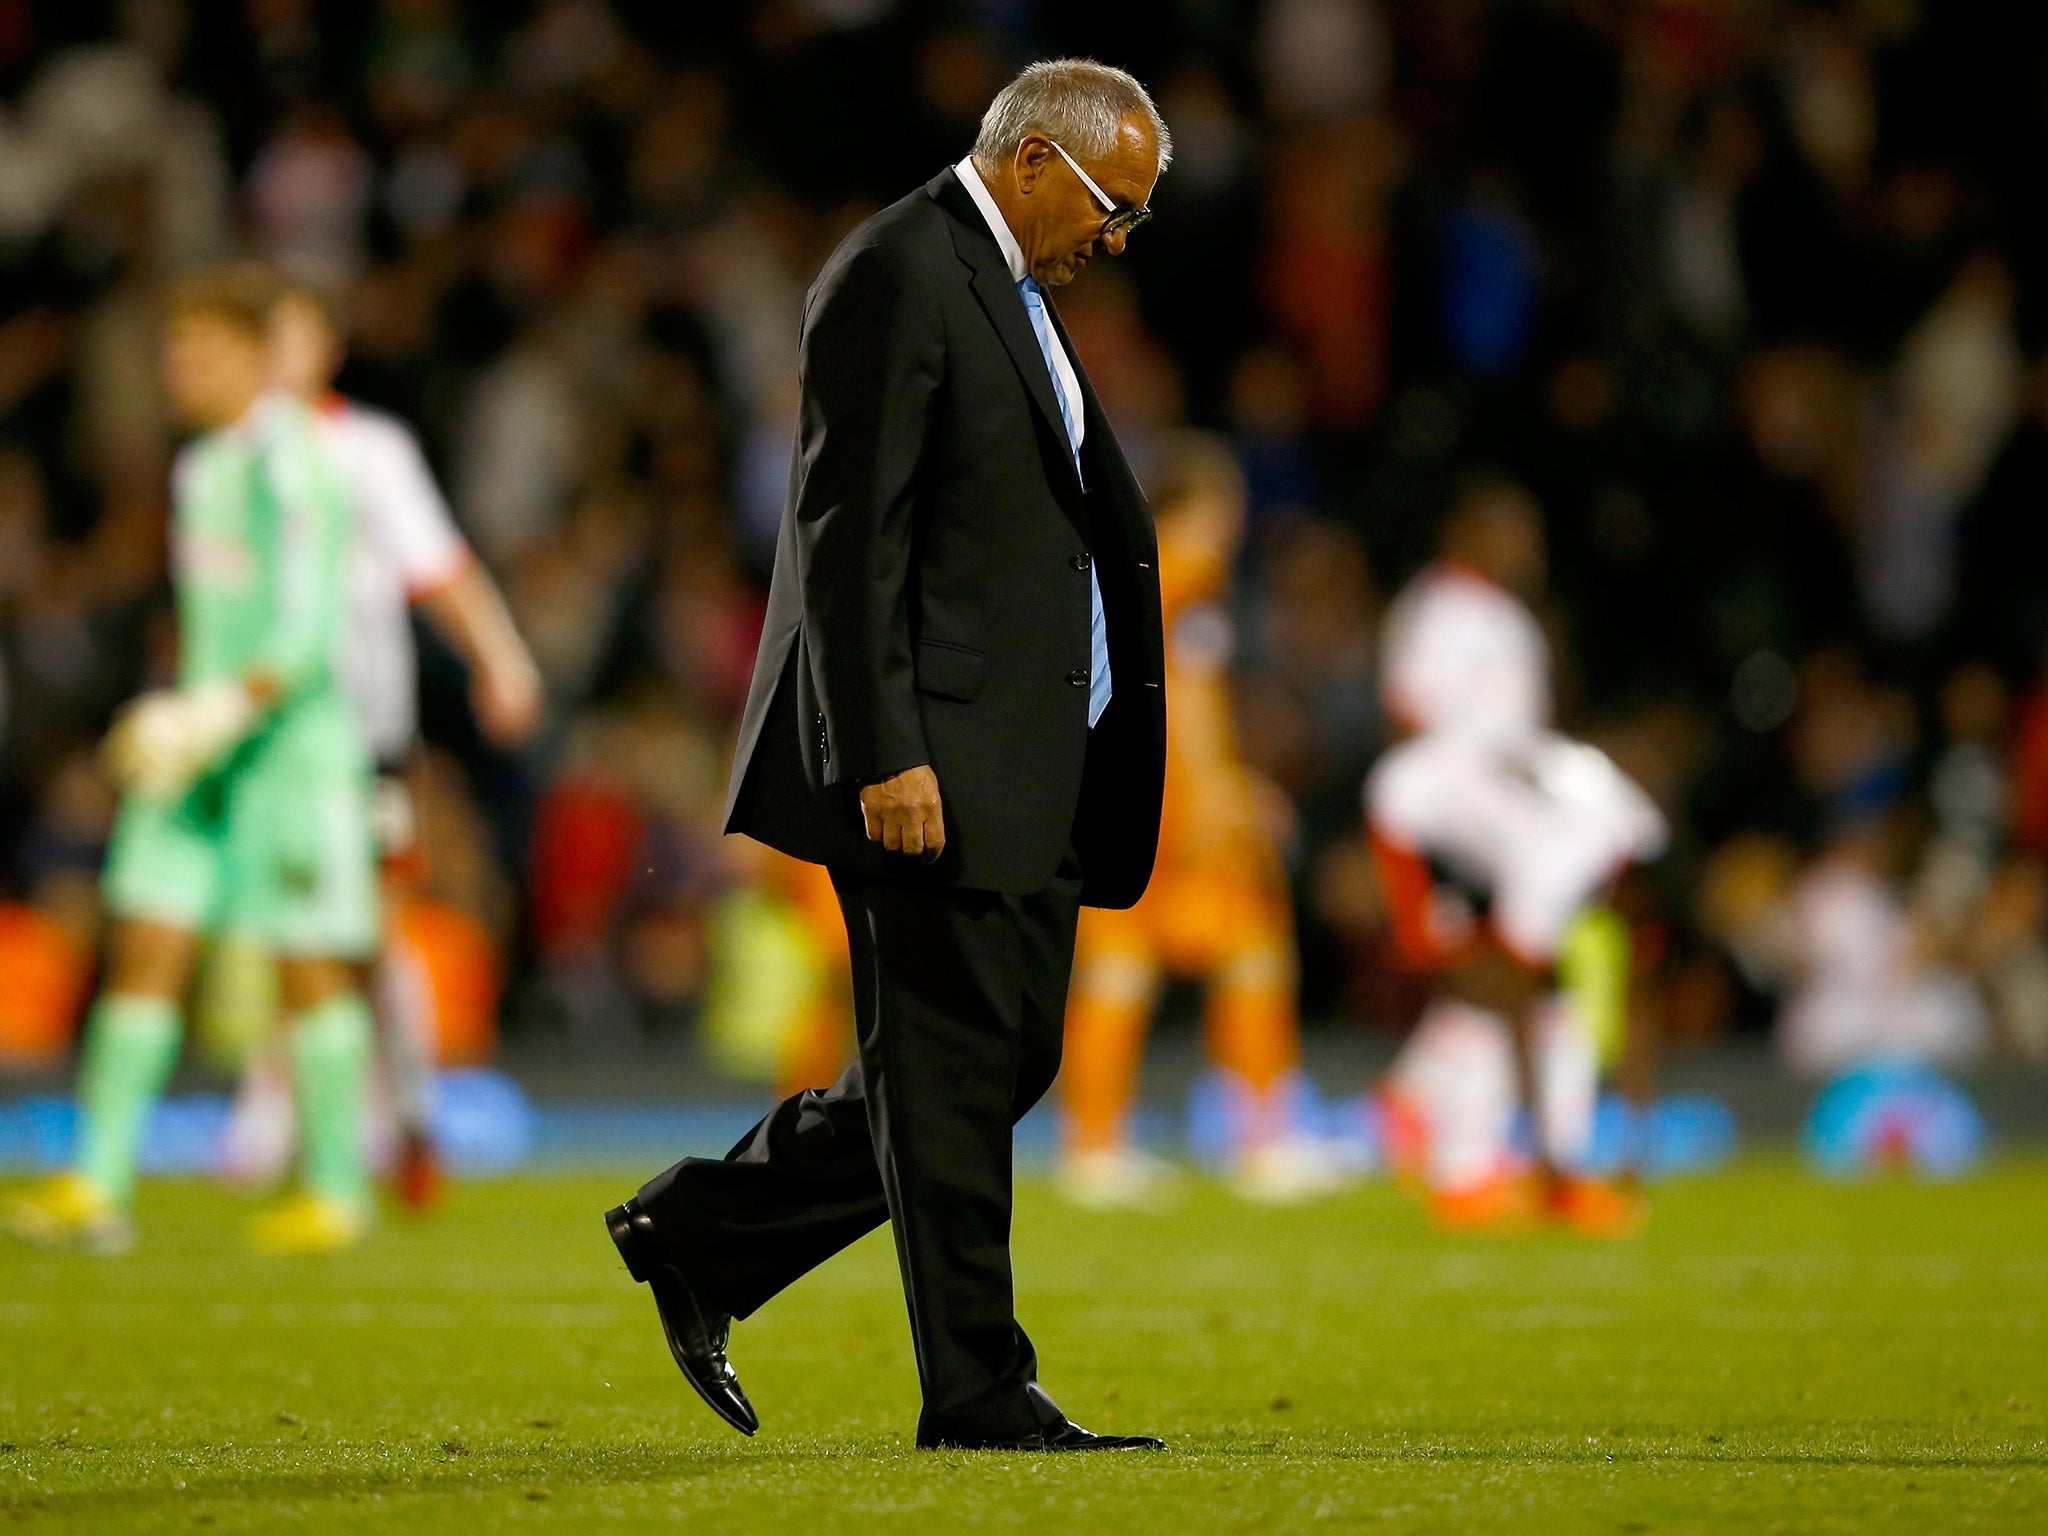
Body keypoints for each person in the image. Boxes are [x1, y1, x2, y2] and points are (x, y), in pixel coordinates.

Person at [604, 59, 1172, 1451]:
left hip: (1031, 751)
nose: (1119, 238)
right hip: (936, 757)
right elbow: (846, 538)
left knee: (990, 1066)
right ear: (1036, 159)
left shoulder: (1010, 288)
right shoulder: (898, 271)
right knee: (956, 1077)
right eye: (1115, 206)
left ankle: (702, 1230)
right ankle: (978, 1389)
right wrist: (883, 753)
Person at [8, 265, 380, 1256]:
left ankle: (338, 1190)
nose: (179, 367)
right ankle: (99, 1184)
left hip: (287, 751)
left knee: (304, 968)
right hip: (200, 749)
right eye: (175, 349)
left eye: (201, 349)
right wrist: (179, 706)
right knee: (145, 942)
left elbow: (307, 629)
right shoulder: (201, 469)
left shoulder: (300, 463)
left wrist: (218, 708)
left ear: (258, 356)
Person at [218, 283, 543, 1211]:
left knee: (359, 930)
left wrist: (501, 660)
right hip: (259, 739)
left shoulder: (366, 450)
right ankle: (344, 1124)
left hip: (361, 735)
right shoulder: (223, 463)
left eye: (292, 335)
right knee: (295, 928)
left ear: (325, 347)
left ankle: (365, 1121)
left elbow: (437, 566)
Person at [1366, 476, 1666, 1234]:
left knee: (1519, 986)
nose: (1529, 549)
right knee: (1516, 985)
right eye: (1513, 532)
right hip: (1443, 814)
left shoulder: (1512, 622)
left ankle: (1439, 1115)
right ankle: (1502, 1164)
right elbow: (1413, 724)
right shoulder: (1441, 609)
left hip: (1503, 822)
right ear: (1468, 533)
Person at [1059, 433, 1338, 1207]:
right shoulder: (1179, 576)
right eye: (1228, 508)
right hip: (1168, 805)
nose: (1235, 525)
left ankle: (1096, 1144)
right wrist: (1219, 792)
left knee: (1125, 965)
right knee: (1248, 943)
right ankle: (1263, 1139)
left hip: (1123, 796)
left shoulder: (1127, 572)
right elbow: (1180, 698)